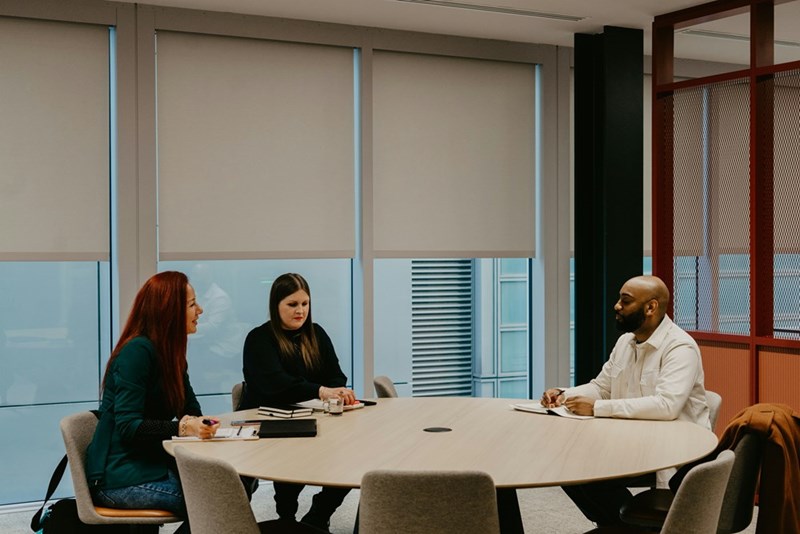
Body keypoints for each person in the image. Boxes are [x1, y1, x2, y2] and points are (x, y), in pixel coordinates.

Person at [540, 275, 710, 527]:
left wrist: (596, 408)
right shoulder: (625, 342)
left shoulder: (679, 348)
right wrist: (566, 395)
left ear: (650, 307)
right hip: (631, 439)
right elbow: (602, 386)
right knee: (567, 465)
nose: (616, 306)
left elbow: (666, 406)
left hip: (672, 450)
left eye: (625, 301)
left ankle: (623, 526)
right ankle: (620, 525)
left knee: (587, 474)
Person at [85, 271, 220, 534]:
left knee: (235, 484)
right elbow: (129, 426)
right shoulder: (137, 352)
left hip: (150, 464)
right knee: (215, 502)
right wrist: (183, 428)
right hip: (120, 475)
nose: (200, 310)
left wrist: (197, 423)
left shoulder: (171, 354)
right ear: (170, 311)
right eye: (192, 304)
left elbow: (190, 410)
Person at [242, 273, 355, 532]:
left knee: (352, 459)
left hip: (314, 418)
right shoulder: (260, 338)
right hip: (266, 422)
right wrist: (321, 391)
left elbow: (336, 375)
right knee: (291, 454)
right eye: (292, 304)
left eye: (305, 304)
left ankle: (317, 516)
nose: (300, 310)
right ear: (276, 306)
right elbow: (275, 386)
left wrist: (336, 391)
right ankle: (287, 519)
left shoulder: (316, 334)